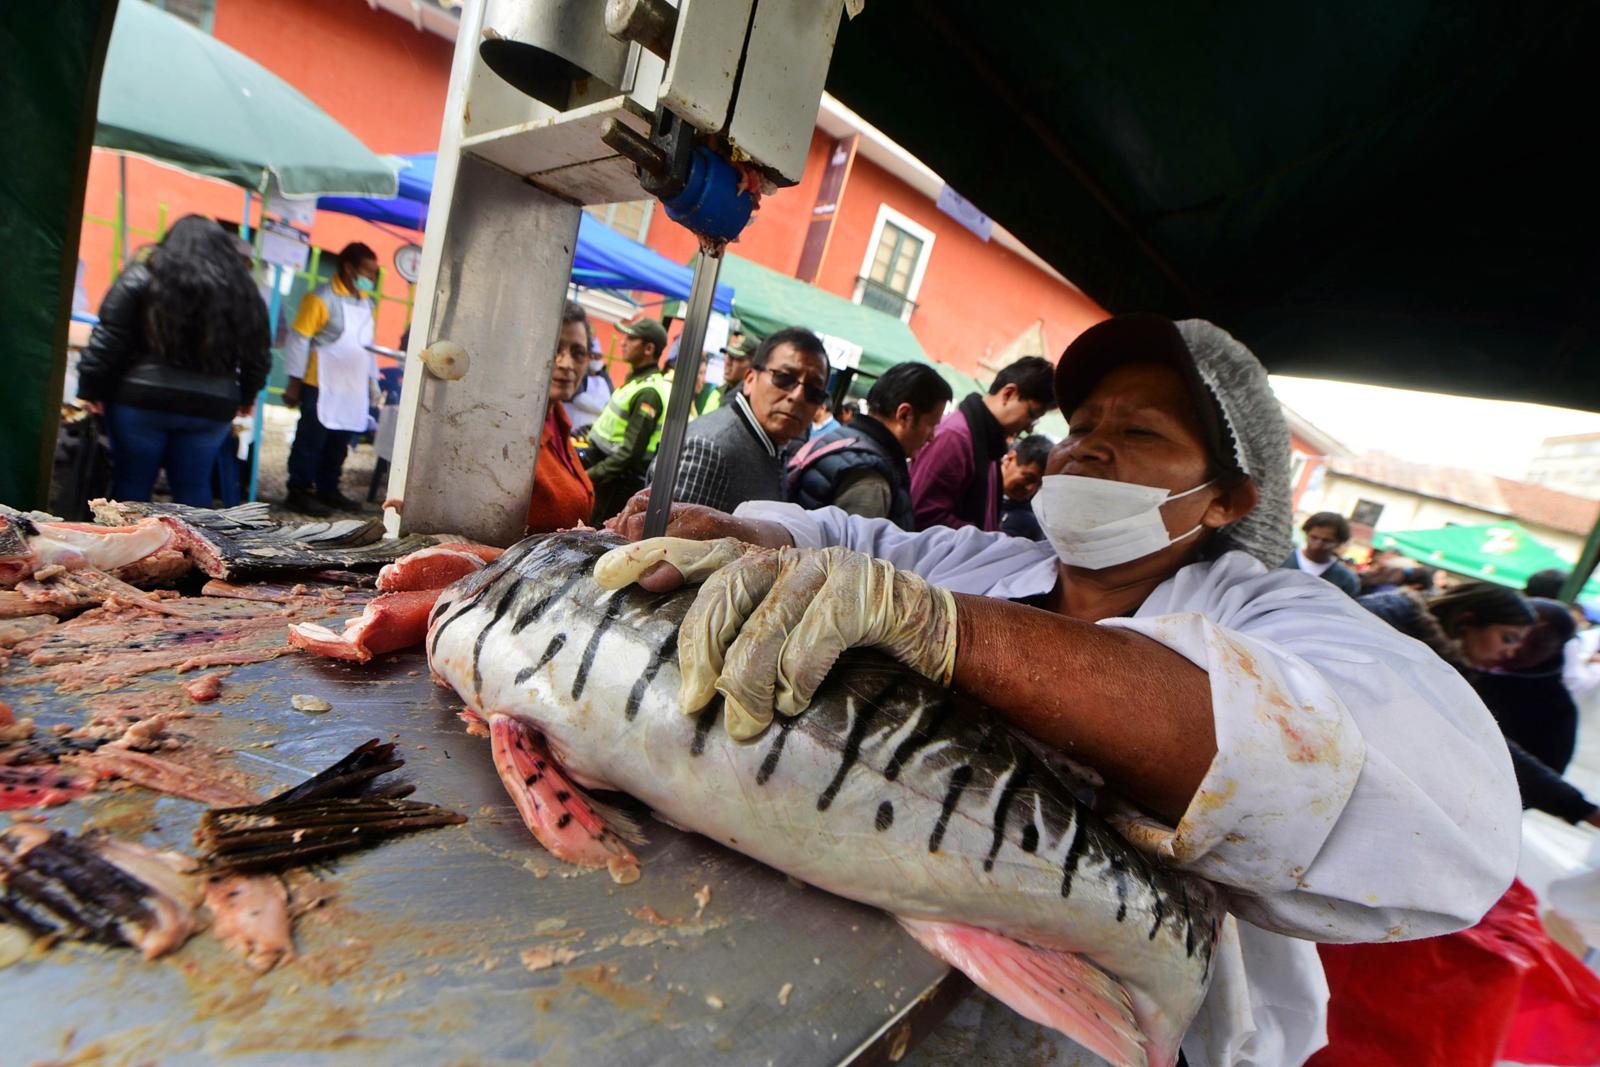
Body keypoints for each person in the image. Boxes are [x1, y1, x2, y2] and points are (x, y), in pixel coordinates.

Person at [601, 312, 1519, 1066]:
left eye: (1138, 432)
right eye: (1082, 427)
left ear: (1228, 499)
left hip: (1135, 1032)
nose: (1088, 450)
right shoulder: (996, 561)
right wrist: (735, 527)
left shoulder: (1275, 608)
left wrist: (946, 630)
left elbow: (1445, 807)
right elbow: (848, 541)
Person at [77, 215, 270, 507]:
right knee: (193, 488)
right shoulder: (244, 291)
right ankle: (194, 551)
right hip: (211, 406)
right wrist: (247, 395)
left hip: (139, 401)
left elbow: (109, 338)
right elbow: (258, 353)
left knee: (131, 485)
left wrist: (90, 388)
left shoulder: (142, 275)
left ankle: (129, 551)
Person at [654, 326, 829, 514]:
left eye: (814, 391)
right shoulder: (709, 448)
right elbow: (667, 541)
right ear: (750, 380)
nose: (798, 396)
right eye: (784, 378)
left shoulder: (772, 444)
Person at [787, 362, 952, 528]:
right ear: (904, 415)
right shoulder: (871, 479)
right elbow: (853, 551)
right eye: (931, 425)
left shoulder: (840, 438)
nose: (931, 437)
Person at [281, 242, 380, 516]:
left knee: (339, 440)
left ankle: (328, 488)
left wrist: (373, 382)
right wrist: (294, 381)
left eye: (373, 273)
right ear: (348, 268)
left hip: (352, 383)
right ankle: (299, 490)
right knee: (312, 439)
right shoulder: (321, 297)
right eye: (367, 272)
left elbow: (368, 346)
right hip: (320, 381)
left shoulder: (365, 301)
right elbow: (299, 340)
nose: (371, 278)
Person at [909, 356, 1055, 531]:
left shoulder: (987, 446)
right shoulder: (954, 438)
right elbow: (923, 515)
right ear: (1008, 394)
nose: (1029, 429)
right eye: (1031, 415)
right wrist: (987, 542)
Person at [583, 316, 670, 523]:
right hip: (607, 474)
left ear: (649, 349)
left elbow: (630, 452)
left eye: (631, 338)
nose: (623, 342)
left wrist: (591, 476)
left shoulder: (648, 391)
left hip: (615, 481)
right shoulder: (637, 381)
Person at [526, 302, 595, 533]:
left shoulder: (558, 417)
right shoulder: (509, 428)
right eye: (555, 349)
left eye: (578, 353)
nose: (566, 364)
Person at [1282, 512, 1361, 597]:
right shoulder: (1281, 560)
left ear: (1339, 543)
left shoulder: (1346, 580)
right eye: (1314, 538)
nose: (1317, 545)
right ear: (1306, 533)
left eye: (1327, 541)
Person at [998, 433, 1051, 541]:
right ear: (1010, 458)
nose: (1031, 489)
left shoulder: (1028, 523)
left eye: (1040, 484)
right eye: (1028, 478)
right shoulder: (973, 481)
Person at [564, 332, 612, 436]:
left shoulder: (605, 378)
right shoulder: (579, 373)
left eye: (598, 356)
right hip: (572, 429)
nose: (595, 359)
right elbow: (578, 399)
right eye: (593, 356)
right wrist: (606, 409)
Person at [701, 335, 756, 415]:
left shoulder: (751, 401)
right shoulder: (720, 390)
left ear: (752, 364)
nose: (727, 362)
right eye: (727, 355)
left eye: (735, 358)